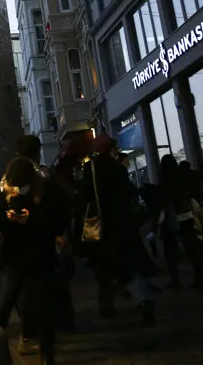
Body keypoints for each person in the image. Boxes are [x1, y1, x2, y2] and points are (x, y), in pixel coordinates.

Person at [0, 157, 68, 365]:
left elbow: (54, 223)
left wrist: (29, 219)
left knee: (44, 307)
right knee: (6, 303)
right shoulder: (6, 194)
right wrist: (8, 218)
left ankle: (46, 351)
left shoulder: (46, 193)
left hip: (40, 257)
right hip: (15, 257)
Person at [80, 134, 156, 324]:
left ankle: (106, 303)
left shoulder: (91, 169)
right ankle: (144, 302)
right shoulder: (117, 168)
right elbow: (128, 191)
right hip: (123, 222)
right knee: (133, 264)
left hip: (103, 224)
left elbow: (85, 195)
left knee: (105, 267)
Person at [159, 154, 203, 289]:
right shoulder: (182, 176)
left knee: (170, 252)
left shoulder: (165, 179)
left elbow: (164, 199)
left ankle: (175, 280)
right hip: (186, 214)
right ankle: (200, 278)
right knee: (191, 248)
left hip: (172, 217)